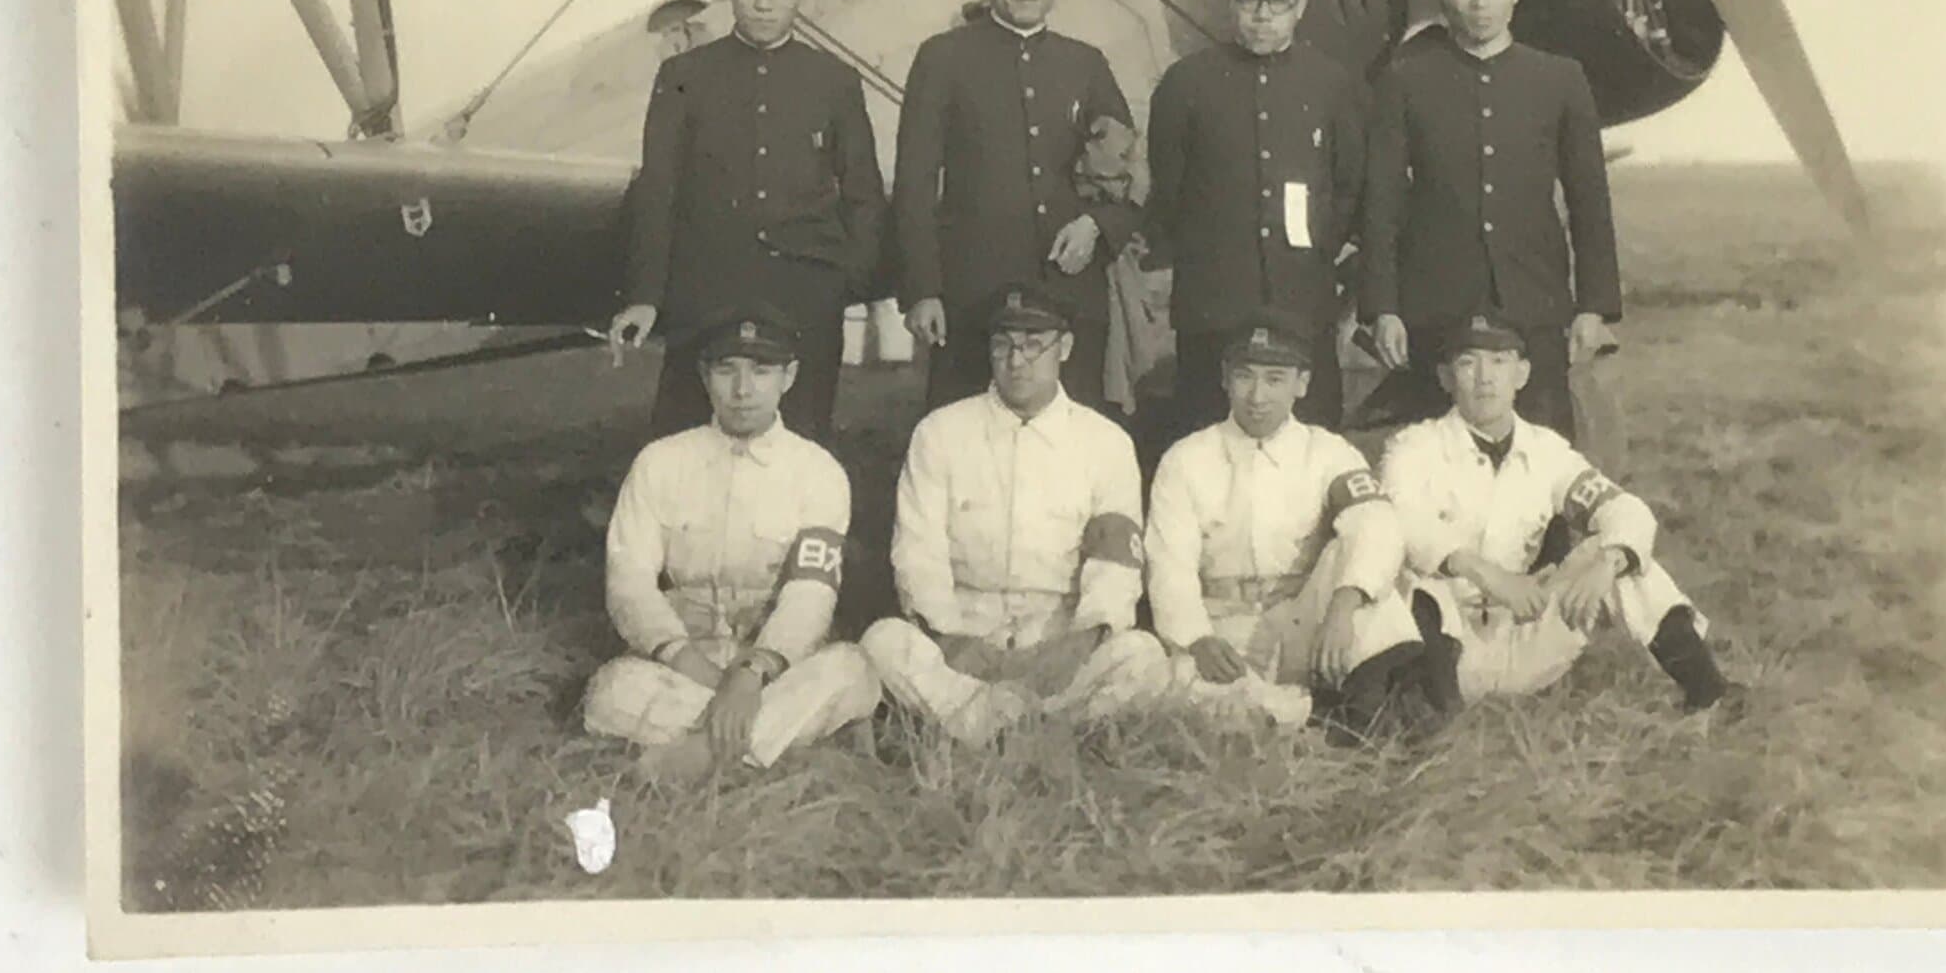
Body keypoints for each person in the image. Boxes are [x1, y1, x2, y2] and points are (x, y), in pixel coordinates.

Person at [1357, 313, 1727, 721]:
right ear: (1446, 377)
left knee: (1621, 553)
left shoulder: (1546, 449)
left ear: (1522, 374)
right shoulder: (1412, 447)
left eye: (1500, 363)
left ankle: (1709, 695)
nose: (1484, 378)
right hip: (1444, 641)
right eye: (1468, 363)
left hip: (1520, 628)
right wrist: (1488, 575)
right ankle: (1432, 720)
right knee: (1417, 582)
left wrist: (1608, 562)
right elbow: (1403, 523)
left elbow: (1623, 507)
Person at [607, 0, 884, 443]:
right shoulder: (684, 76)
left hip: (804, 293)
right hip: (706, 290)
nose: (764, 1)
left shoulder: (834, 82)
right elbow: (658, 189)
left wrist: (845, 281)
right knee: (687, 438)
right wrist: (645, 295)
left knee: (800, 438)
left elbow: (863, 193)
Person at [860, 282, 1169, 744]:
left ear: (1063, 348)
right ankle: (1030, 730)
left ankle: (1004, 726)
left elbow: (1115, 566)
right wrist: (950, 641)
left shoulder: (1105, 442)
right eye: (1002, 345)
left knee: (1144, 658)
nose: (1016, 361)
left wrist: (1078, 644)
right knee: (882, 642)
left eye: (1032, 346)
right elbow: (917, 552)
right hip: (963, 637)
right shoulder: (941, 432)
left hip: (1059, 638)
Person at [581, 307, 883, 779]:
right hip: (685, 661)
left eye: (761, 372)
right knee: (610, 690)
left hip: (777, 666)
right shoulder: (661, 462)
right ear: (705, 376)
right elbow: (629, 583)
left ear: (789, 377)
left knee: (851, 669)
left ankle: (698, 756)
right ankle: (776, 747)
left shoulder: (818, 472)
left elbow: (811, 593)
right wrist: (688, 661)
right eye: (727, 371)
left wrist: (753, 673)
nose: (743, 390)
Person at [1358, 0, 1619, 440]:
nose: (1480, 1)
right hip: (1436, 305)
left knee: (1544, 455)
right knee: (1434, 460)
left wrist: (1594, 305)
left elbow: (1589, 200)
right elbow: (1381, 203)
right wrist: (1382, 308)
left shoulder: (1559, 79)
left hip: (1534, 303)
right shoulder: (1406, 80)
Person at [891, 0, 1140, 412]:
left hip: (1068, 292)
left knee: (1072, 439)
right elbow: (914, 181)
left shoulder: (1086, 64)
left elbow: (1129, 175)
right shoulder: (943, 58)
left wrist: (1096, 225)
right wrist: (922, 289)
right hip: (973, 293)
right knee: (961, 432)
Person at [1144, 312, 1425, 735]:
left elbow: (1375, 524)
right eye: (1245, 377)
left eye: (1275, 379)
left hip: (1302, 620)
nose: (1257, 395)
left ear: (1302, 384)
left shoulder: (1328, 452)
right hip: (1223, 628)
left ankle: (1361, 731)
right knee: (1167, 682)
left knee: (1371, 590)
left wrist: (1343, 607)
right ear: (1225, 379)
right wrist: (1196, 637)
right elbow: (1170, 566)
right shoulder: (1185, 459)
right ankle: (1305, 716)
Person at [1145, 0, 1367, 436]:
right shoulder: (1186, 84)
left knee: (1309, 444)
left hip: (1301, 303)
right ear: (1232, 1)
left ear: (1302, 4)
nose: (1263, 15)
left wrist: (1313, 252)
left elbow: (1349, 186)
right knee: (1206, 441)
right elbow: (1170, 193)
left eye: (1278, 1)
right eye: (1251, 0)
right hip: (1214, 307)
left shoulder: (1332, 85)